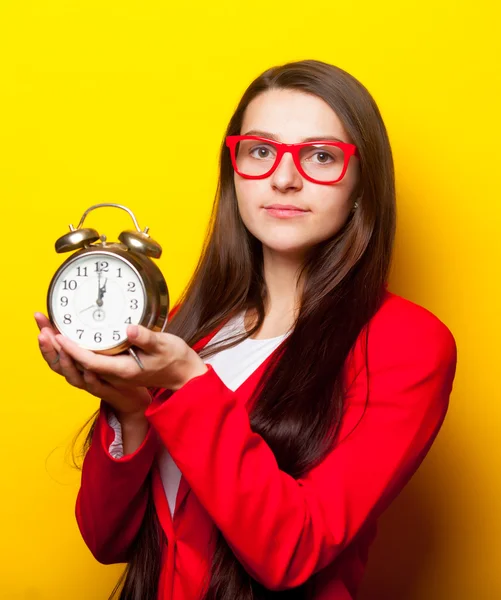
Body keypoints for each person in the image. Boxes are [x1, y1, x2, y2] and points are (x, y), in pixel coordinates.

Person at [35, 59, 458, 600]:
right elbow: (107, 538)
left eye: (321, 156)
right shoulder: (192, 323)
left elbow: (293, 551)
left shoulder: (407, 344)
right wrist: (130, 407)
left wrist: (190, 386)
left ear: (361, 184)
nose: (283, 178)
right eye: (260, 151)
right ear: (233, 173)